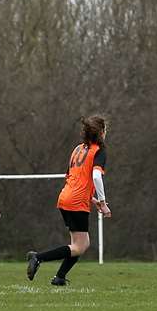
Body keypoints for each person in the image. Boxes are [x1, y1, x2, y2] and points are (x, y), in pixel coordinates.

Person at [28, 116, 111, 287]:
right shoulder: (99, 150)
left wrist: (93, 199)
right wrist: (102, 202)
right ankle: (38, 257)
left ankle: (59, 277)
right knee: (79, 247)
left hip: (66, 197)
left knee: (81, 243)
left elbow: (72, 177)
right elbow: (96, 176)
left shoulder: (77, 149)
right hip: (76, 201)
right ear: (101, 132)